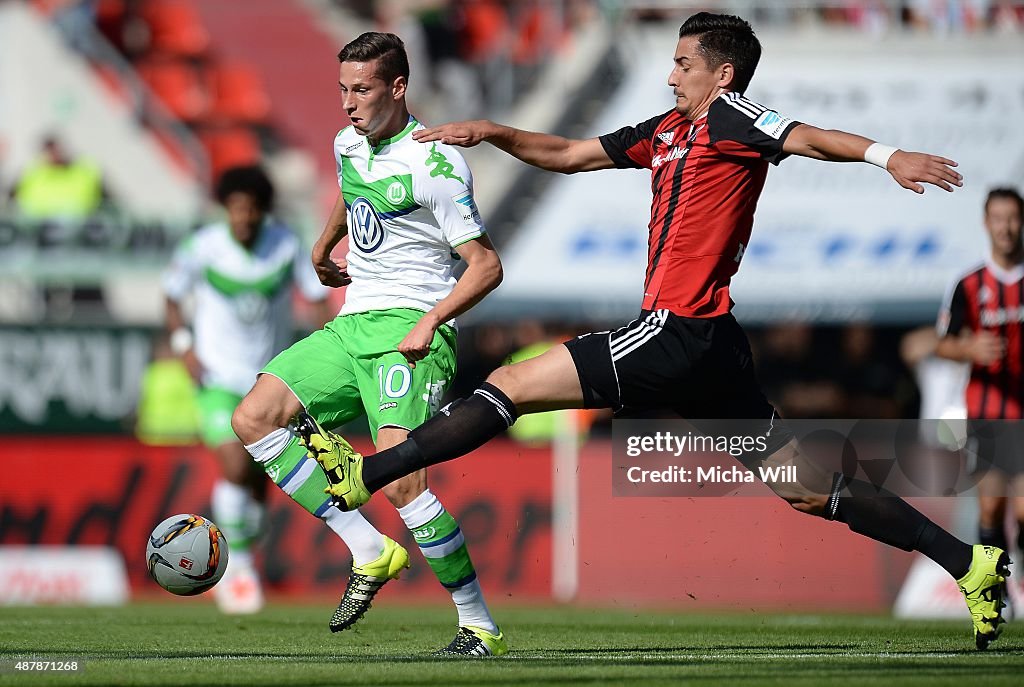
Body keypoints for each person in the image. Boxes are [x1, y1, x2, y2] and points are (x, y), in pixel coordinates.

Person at [299, 13, 1011, 650]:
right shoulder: (668, 131)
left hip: (677, 330)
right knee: (804, 484)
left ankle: (368, 472)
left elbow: (808, 137)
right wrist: (494, 133)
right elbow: (573, 154)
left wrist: (888, 158)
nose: (670, 74)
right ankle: (970, 561)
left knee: (508, 383)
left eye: (682, 63)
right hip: (713, 343)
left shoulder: (733, 116)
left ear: (721, 73)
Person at [230, 33, 508, 656]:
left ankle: (479, 624)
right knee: (254, 417)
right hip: (352, 324)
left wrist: (430, 321)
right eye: (343, 90)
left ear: (398, 88)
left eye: (362, 90)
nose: (349, 103)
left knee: (405, 482)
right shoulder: (346, 141)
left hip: (410, 332)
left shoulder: (434, 164)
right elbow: (351, 191)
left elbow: (485, 266)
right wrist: (323, 245)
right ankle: (367, 548)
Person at [163, 164, 335, 613]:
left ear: (262, 211)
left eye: (251, 209)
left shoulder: (286, 245)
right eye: (236, 208)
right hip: (217, 379)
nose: (243, 217)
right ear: (225, 208)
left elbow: (316, 301)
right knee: (235, 465)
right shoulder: (202, 248)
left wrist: (328, 355)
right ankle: (236, 568)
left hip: (269, 383)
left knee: (259, 483)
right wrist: (184, 347)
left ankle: (246, 558)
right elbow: (171, 295)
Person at [936, 187, 1024, 614]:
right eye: (999, 218)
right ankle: (999, 592)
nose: (1006, 227)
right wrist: (970, 350)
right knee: (991, 509)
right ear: (986, 223)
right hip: (987, 416)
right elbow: (944, 344)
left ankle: (1014, 581)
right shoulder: (970, 284)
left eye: (1013, 218)